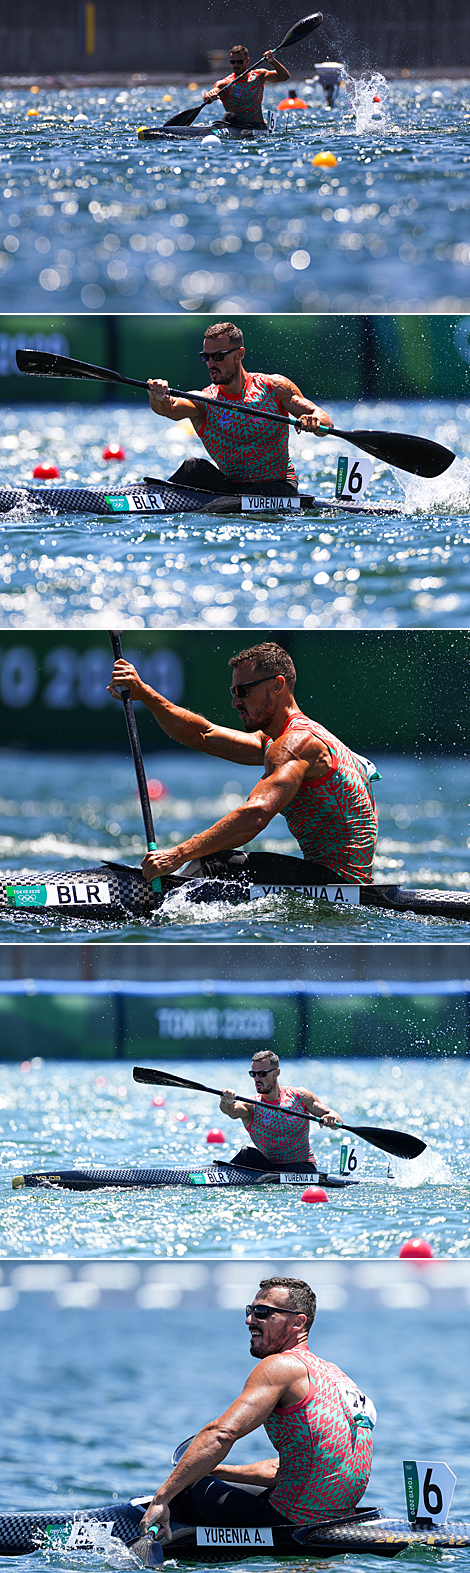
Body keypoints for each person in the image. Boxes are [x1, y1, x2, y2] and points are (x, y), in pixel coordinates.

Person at [108, 640, 380, 885]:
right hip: (340, 880)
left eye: (243, 690)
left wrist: (177, 855)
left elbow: (256, 814)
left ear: (277, 685)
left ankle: (157, 898)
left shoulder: (297, 744)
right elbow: (203, 735)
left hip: (339, 885)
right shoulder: (285, 740)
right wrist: (144, 693)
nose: (234, 701)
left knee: (214, 865)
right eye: (233, 690)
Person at [139, 1275, 376, 1538]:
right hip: (337, 1519)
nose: (250, 1320)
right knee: (201, 1477)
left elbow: (221, 1434)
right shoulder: (335, 1375)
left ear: (298, 1322)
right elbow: (298, 1466)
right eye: (250, 1311)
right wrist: (216, 1470)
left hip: (290, 1523)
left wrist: (162, 1498)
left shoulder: (279, 1366)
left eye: (263, 1313)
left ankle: (158, 1528)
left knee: (186, 1489)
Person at [146, 321, 334, 497]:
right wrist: (157, 397)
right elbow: (169, 409)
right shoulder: (204, 401)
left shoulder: (274, 387)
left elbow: (325, 421)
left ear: (239, 354)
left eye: (218, 356)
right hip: (232, 489)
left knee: (269, 489)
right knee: (192, 466)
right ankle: (154, 498)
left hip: (277, 486)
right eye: (206, 357)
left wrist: (315, 421)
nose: (211, 364)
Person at [219, 1049, 342, 1171]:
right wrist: (226, 1101)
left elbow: (336, 1120)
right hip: (269, 1168)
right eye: (253, 1074)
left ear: (276, 1073)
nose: (256, 1079)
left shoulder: (300, 1097)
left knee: (298, 1168)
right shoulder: (252, 1106)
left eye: (262, 1074)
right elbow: (231, 1111)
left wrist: (331, 1118)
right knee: (247, 1153)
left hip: (302, 1166)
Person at [203, 43, 289, 130]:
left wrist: (273, 61)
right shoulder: (225, 83)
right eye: (233, 62)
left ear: (247, 61)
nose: (236, 65)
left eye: (239, 62)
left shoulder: (259, 75)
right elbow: (209, 94)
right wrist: (209, 95)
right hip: (235, 127)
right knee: (228, 116)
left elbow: (284, 76)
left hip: (257, 127)